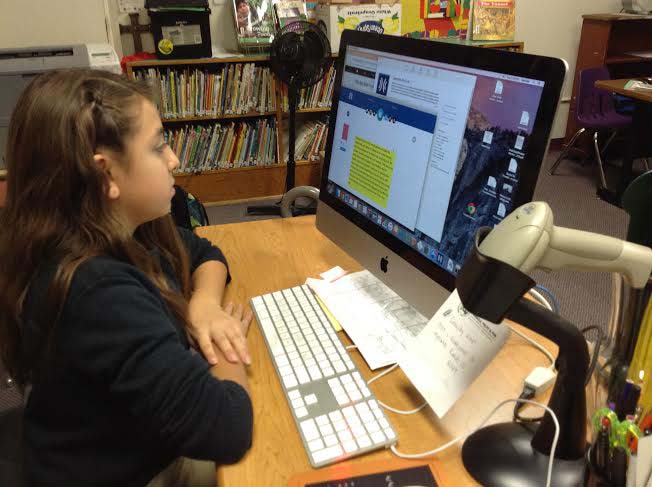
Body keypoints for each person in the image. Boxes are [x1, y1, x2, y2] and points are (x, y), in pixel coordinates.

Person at [0, 69, 254, 486]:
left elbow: (203, 252)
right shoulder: (97, 293)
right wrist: (227, 347)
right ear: (106, 175)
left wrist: (205, 305)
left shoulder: (120, 227)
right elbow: (227, 430)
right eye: (158, 148)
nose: (174, 159)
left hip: (124, 442)